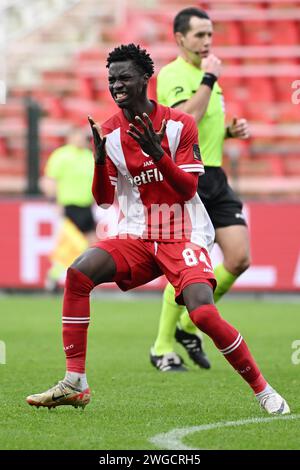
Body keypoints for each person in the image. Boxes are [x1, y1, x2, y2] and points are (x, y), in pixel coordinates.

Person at [26, 44, 289, 415]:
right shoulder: (110, 132)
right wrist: (100, 162)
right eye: (111, 79)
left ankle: (263, 390)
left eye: (124, 78)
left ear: (145, 80)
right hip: (137, 234)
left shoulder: (181, 124)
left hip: (184, 232)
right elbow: (103, 200)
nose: (116, 85)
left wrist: (157, 153)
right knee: (78, 273)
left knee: (203, 315)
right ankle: (75, 381)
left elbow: (188, 190)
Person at [150, 7, 251, 372]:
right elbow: (184, 120)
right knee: (186, 265)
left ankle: (189, 324)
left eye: (210, 34)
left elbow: (203, 128)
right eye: (199, 35)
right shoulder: (174, 75)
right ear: (179, 39)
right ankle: (162, 347)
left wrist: (228, 132)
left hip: (215, 175)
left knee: (239, 258)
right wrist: (208, 77)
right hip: (186, 177)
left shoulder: (210, 77)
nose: (207, 41)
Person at [42, 126, 97, 292]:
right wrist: (55, 202)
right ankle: (54, 276)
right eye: (78, 136)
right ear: (70, 138)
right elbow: (50, 180)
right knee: (74, 245)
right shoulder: (61, 156)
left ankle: (84, 280)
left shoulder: (89, 156)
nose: (81, 140)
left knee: (91, 246)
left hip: (86, 207)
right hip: (69, 207)